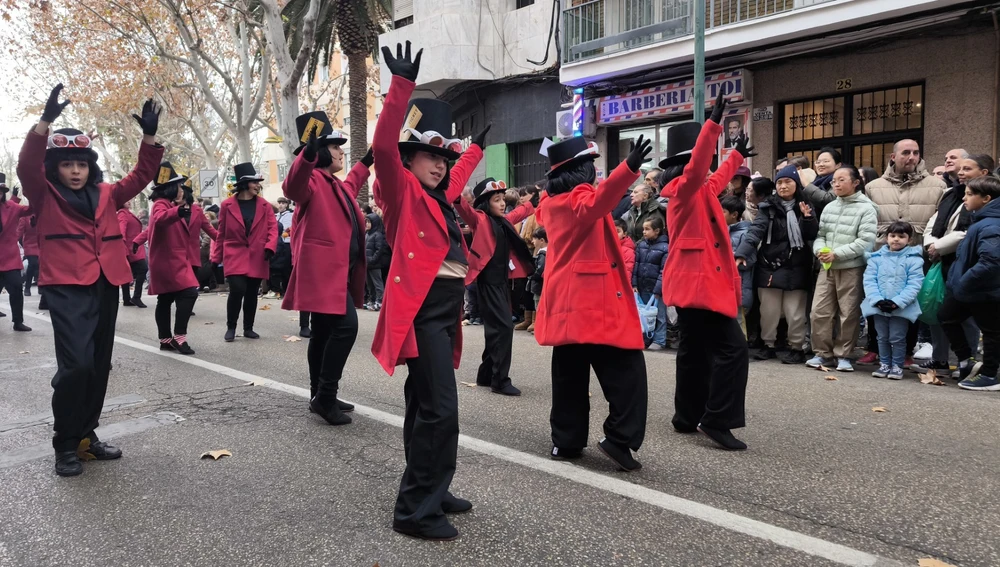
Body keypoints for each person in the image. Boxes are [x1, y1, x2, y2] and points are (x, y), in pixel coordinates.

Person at [17, 85, 163, 476]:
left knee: (99, 365)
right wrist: (43, 124)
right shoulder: (43, 193)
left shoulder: (107, 193)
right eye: (67, 164)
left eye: (81, 163)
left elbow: (143, 174)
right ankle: (64, 443)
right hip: (65, 287)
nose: (76, 170)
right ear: (55, 168)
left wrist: (149, 138)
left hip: (105, 283)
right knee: (76, 366)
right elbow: (27, 166)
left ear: (90, 166)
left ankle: (85, 437)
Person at [373, 42, 486, 541]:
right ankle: (415, 509)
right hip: (421, 313)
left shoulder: (441, 197)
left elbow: (457, 173)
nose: (441, 165)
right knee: (441, 409)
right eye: (430, 157)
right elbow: (381, 148)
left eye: (445, 158)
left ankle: (434, 492)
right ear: (409, 160)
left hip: (445, 310)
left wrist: (474, 149)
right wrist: (400, 90)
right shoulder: (402, 194)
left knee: (426, 406)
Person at [534, 130, 652, 469]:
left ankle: (566, 442)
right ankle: (619, 438)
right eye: (590, 165)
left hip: (569, 302)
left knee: (569, 376)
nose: (594, 172)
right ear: (579, 171)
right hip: (594, 301)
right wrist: (628, 168)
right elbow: (598, 201)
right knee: (627, 373)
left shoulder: (552, 202)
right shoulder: (576, 197)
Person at [660, 91, 755, 451]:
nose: (708, 167)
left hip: (692, 285)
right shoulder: (684, 189)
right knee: (733, 350)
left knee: (694, 352)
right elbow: (701, 169)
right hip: (698, 286)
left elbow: (715, 177)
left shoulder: (697, 191)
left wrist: (737, 156)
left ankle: (686, 416)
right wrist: (713, 126)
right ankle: (716, 420)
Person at [282, 112, 371, 424]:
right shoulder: (310, 181)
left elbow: (354, 180)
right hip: (322, 274)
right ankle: (326, 396)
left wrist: (368, 161)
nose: (340, 151)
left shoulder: (335, 183)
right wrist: (307, 152)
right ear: (319, 150)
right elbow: (292, 186)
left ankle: (318, 395)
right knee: (346, 327)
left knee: (321, 333)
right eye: (335, 146)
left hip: (339, 273)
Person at [860, 139, 945, 367]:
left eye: (916, 153)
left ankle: (906, 351)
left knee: (910, 303)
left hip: (917, 255)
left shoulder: (937, 186)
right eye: (906, 152)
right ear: (893, 156)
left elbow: (939, 222)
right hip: (881, 254)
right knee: (876, 299)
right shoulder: (873, 186)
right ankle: (873, 348)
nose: (911, 157)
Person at [454, 177, 535, 395]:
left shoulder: (504, 221)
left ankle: (485, 375)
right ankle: (500, 381)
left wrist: (538, 196)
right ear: (485, 203)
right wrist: (452, 186)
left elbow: (522, 211)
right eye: (496, 200)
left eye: (502, 199)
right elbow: (462, 207)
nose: (502, 203)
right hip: (488, 283)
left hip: (502, 283)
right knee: (503, 328)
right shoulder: (479, 219)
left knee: (496, 330)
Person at [916, 155, 992, 375]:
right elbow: (933, 221)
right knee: (937, 308)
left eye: (967, 168)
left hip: (963, 260)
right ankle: (940, 359)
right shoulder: (951, 194)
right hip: (940, 259)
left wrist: (939, 246)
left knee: (963, 315)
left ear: (984, 173)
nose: (960, 172)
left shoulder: (987, 198)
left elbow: (968, 232)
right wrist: (931, 244)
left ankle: (966, 361)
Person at [736, 164, 819, 365]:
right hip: (769, 264)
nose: (783, 186)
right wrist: (741, 254)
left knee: (795, 311)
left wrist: (808, 219)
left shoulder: (806, 206)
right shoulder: (768, 207)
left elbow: (812, 235)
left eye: (788, 181)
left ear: (796, 184)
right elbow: (756, 231)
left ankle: (796, 347)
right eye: (779, 182)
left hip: (798, 264)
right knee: (769, 310)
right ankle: (768, 345)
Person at [807, 166, 878, 372]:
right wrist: (820, 250)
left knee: (848, 313)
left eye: (841, 180)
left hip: (851, 267)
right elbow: (820, 235)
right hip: (827, 266)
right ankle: (822, 354)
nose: (836, 184)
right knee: (819, 312)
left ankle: (844, 355)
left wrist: (836, 253)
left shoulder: (867, 208)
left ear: (856, 183)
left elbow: (866, 241)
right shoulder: (830, 207)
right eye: (833, 181)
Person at [941, 176, 1000, 391]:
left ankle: (990, 376)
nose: (964, 198)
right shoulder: (982, 220)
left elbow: (991, 261)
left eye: (969, 194)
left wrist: (964, 282)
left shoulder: (992, 224)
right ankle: (968, 360)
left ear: (986, 198)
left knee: (992, 332)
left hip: (984, 291)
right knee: (946, 316)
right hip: (969, 289)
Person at [212, 162, 277, 342]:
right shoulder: (226, 205)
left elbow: (273, 229)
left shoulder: (265, 205)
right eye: (255, 182)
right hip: (234, 253)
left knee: (251, 293)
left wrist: (270, 247)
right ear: (244, 183)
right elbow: (222, 233)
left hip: (258, 254)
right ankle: (231, 327)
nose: (258, 185)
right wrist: (216, 257)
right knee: (237, 289)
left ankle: (248, 328)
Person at [144, 162, 199, 355]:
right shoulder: (161, 204)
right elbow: (160, 219)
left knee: (165, 299)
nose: (181, 189)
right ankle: (179, 337)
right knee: (190, 292)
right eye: (178, 185)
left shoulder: (168, 205)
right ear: (169, 187)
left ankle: (165, 339)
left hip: (168, 260)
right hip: (168, 261)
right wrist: (178, 211)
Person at [862, 221, 924, 380]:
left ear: (909, 240)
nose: (896, 239)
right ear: (886, 238)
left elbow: (915, 283)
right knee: (881, 336)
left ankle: (897, 366)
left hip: (901, 307)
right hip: (878, 306)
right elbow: (869, 280)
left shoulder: (914, 259)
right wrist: (877, 300)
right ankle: (884, 364)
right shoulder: (876, 258)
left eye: (901, 236)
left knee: (897, 337)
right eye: (893, 235)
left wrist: (898, 302)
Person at [632, 216, 669, 350]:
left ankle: (659, 340)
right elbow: (636, 265)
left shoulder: (665, 248)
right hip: (642, 285)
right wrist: (634, 284)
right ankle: (645, 338)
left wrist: (658, 290)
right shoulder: (641, 245)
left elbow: (664, 270)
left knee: (659, 315)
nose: (644, 232)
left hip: (656, 288)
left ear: (657, 230)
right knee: (643, 314)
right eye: (643, 229)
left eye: (647, 229)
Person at [0, 182, 32, 331]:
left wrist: (30, 192)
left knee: (17, 288)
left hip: (9, 259)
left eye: (1, 191)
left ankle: (18, 322)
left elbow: (30, 210)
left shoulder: (11, 207)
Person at [721, 196, 754, 338]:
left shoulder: (745, 234)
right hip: (722, 283)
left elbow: (749, 261)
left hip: (738, 285)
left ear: (734, 215)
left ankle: (740, 353)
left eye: (723, 212)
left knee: (738, 321)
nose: (719, 214)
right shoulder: (721, 231)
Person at [116, 200, 148, 307]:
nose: (129, 201)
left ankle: (127, 299)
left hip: (133, 247)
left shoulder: (127, 213)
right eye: (126, 200)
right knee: (142, 268)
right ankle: (135, 297)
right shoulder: (123, 213)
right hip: (130, 248)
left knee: (128, 272)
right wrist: (123, 244)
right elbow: (122, 230)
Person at [801, 147, 841, 217]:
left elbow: (829, 199)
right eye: (818, 162)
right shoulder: (816, 181)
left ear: (838, 165)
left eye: (826, 161)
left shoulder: (840, 180)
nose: (821, 164)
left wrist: (807, 186)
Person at [365, 212, 388, 310]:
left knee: (377, 283)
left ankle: (380, 300)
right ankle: (372, 300)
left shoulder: (377, 235)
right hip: (367, 264)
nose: (366, 224)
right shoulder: (367, 234)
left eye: (369, 222)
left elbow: (379, 249)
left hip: (374, 264)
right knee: (369, 284)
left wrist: (372, 260)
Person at [526, 226, 547, 333]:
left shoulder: (542, 254)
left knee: (539, 306)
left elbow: (540, 270)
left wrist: (532, 275)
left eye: (534, 239)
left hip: (539, 286)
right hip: (544, 286)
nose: (532, 241)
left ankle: (540, 328)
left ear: (542, 240)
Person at [17, 213, 40, 297]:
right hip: (29, 245)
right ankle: (27, 287)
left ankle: (41, 286)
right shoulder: (24, 217)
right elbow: (19, 232)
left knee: (41, 265)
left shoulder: (42, 214)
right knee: (33, 264)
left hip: (41, 244)